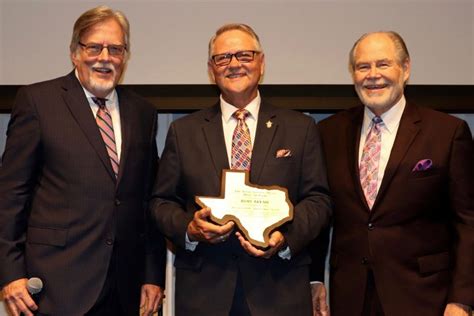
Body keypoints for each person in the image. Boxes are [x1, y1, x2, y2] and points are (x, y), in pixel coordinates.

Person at [150, 23, 332, 316]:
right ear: (212, 69)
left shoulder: (300, 128)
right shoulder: (183, 132)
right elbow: (161, 202)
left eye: (244, 55)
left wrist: (286, 238)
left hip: (280, 289)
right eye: (223, 58)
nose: (234, 64)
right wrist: (190, 229)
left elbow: (319, 200)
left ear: (261, 62)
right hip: (205, 294)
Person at [0, 6, 166, 316]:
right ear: (76, 52)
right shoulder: (38, 102)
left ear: (125, 56)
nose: (105, 57)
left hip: (124, 287)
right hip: (56, 286)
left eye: (116, 49)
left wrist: (152, 275)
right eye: (94, 47)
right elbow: (10, 195)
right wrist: (10, 273)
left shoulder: (142, 112)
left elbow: (147, 201)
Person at [313, 31, 473, 315]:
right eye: (363, 67)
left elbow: (468, 221)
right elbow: (320, 210)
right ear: (353, 74)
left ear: (406, 68)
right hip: (351, 296)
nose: (373, 75)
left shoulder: (447, 132)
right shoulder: (329, 132)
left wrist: (462, 298)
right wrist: (315, 278)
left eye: (383, 64)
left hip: (424, 297)